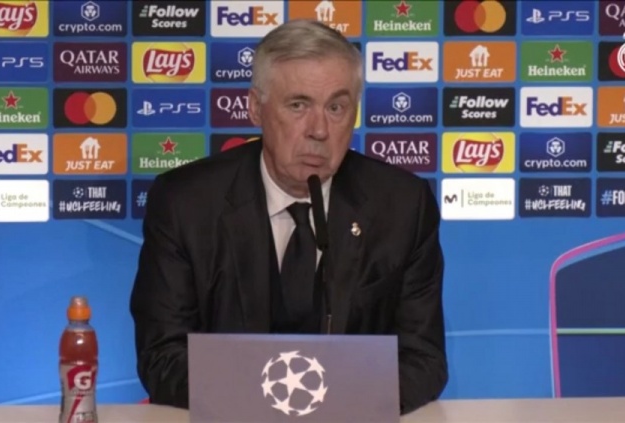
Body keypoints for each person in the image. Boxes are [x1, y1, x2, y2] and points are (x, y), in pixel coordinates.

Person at [129, 19, 448, 416]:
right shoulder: (186, 203)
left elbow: (422, 359)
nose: (319, 130)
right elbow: (163, 356)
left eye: (336, 107)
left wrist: (328, 410)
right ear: (255, 107)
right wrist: (274, 405)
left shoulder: (402, 205)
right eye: (298, 105)